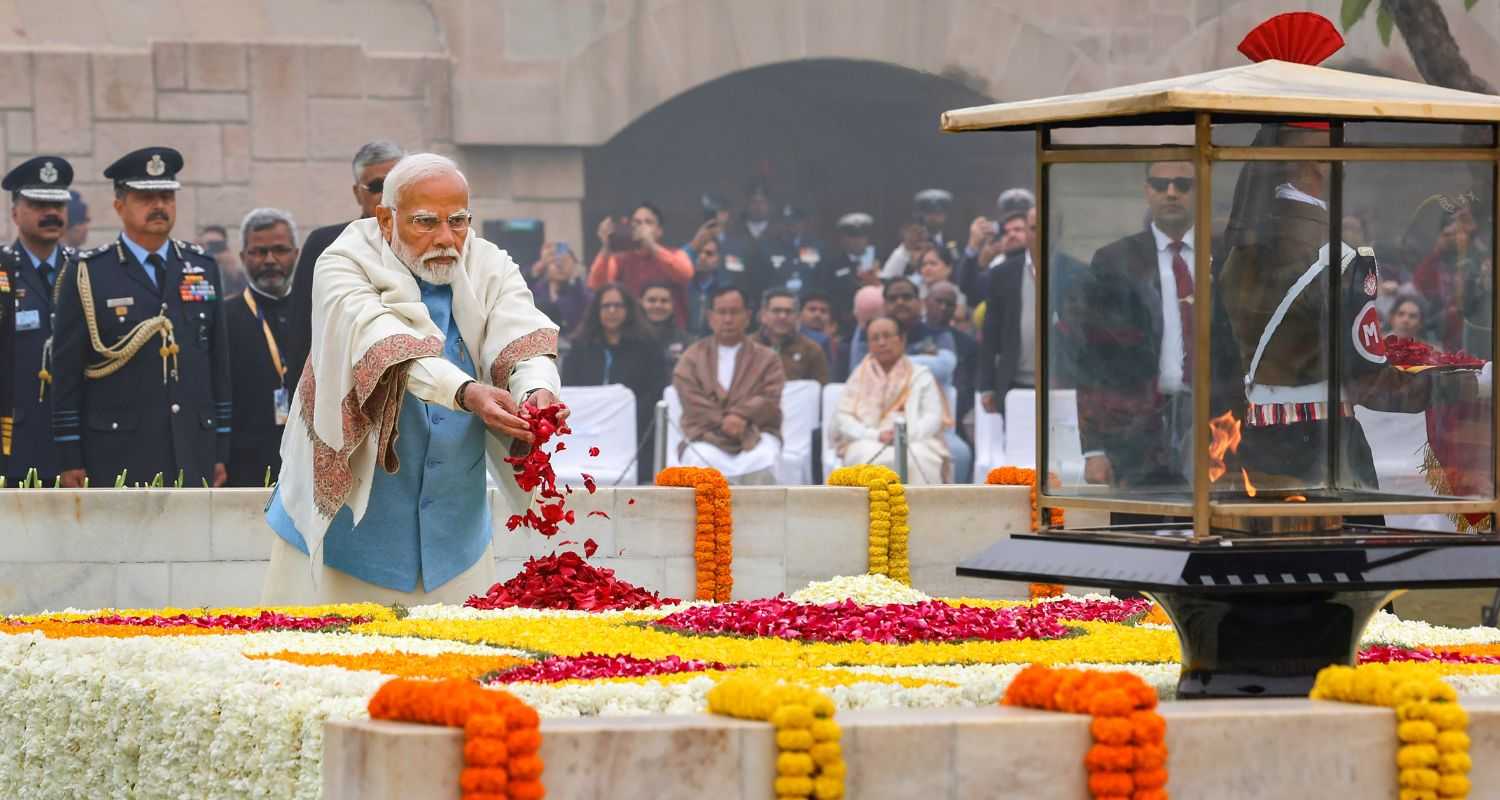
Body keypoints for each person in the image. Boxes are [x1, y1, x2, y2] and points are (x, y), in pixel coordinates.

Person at [262, 153, 565, 604]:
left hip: (455, 541)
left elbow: (520, 331)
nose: (446, 238)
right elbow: (381, 343)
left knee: (467, 669)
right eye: (426, 222)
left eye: (458, 221)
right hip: (347, 537)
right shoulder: (343, 262)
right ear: (386, 219)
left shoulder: (488, 263)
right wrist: (465, 392)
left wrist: (537, 389)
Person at [1219, 124, 1488, 493]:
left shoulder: (1236, 254)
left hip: (1255, 444)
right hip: (1322, 451)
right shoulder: (1340, 259)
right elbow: (1372, 384)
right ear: (1317, 164)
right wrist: (1474, 384)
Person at [51, 147, 231, 489]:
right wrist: (69, 454)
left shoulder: (201, 268)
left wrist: (220, 445)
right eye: (146, 197)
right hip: (117, 451)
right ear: (119, 206)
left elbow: (217, 365)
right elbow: (66, 373)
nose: (159, 206)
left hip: (192, 448)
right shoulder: (88, 273)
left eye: (166, 196)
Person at [1068, 162, 1202, 492]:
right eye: (1160, 184)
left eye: (1183, 184)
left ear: (1201, 190)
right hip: (1135, 425)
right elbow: (1091, 358)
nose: (1171, 193)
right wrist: (1095, 447)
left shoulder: (1226, 253)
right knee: (1140, 528)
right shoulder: (1114, 261)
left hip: (1214, 422)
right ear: (1147, 191)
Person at [284, 140, 404, 396]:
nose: (386, 195)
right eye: (376, 187)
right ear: (357, 193)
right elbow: (302, 331)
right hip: (342, 390)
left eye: (395, 185)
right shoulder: (325, 244)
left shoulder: (428, 242)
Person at [1, 156, 77, 485]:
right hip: (14, 438)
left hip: (76, 444)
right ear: (15, 212)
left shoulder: (86, 271)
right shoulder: (3, 270)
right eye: (38, 204)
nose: (52, 213)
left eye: (58, 204)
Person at [672, 285, 785, 484]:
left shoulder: (768, 359)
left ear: (748, 316)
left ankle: (761, 516)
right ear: (710, 317)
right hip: (705, 436)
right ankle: (711, 517)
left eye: (734, 312)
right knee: (700, 461)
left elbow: (769, 398)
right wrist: (725, 421)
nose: (728, 319)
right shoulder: (692, 357)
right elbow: (691, 400)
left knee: (764, 459)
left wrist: (741, 415)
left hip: (755, 435)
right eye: (722, 312)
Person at [562, 284, 670, 483]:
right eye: (606, 306)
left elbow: (656, 389)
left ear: (628, 310)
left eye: (618, 306)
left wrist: (627, 416)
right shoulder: (581, 347)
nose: (612, 311)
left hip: (635, 430)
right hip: (587, 429)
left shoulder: (648, 346)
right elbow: (570, 390)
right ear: (597, 311)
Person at [224, 208, 299, 487]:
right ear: (243, 257)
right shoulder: (224, 317)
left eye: (280, 250)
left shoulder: (315, 311)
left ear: (296, 253)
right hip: (245, 462)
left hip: (306, 459)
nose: (269, 260)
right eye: (258, 251)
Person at [833, 316, 951, 484]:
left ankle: (919, 511)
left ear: (902, 339)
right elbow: (843, 418)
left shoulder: (920, 375)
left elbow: (932, 417)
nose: (881, 343)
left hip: (915, 440)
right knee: (865, 460)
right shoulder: (857, 377)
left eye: (887, 336)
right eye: (875, 338)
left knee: (921, 460)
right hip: (868, 440)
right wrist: (876, 435)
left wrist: (904, 436)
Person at [588, 203, 693, 326]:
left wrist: (651, 245)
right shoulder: (620, 260)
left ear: (659, 231)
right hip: (633, 331)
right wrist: (606, 246)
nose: (641, 227)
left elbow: (685, 274)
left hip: (671, 331)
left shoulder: (675, 254)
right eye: (637, 222)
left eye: (648, 222)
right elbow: (597, 285)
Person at [925, 280, 976, 437]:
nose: (943, 307)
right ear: (926, 302)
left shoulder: (967, 343)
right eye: (938, 301)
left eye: (949, 304)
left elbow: (971, 383)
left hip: (955, 413)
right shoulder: (912, 335)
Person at [721, 181, 779, 309]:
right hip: (738, 302)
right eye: (754, 202)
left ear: (769, 205)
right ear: (746, 204)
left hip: (773, 304)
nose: (758, 206)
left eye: (762, 202)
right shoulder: (733, 233)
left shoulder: (781, 236)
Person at [812, 212, 875, 330]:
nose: (857, 241)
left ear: (867, 238)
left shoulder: (877, 261)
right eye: (852, 236)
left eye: (861, 236)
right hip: (842, 325)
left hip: (874, 321)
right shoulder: (831, 265)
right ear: (843, 239)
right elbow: (825, 295)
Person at [756, 288, 829, 383]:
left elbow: (821, 388)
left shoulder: (812, 350)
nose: (783, 316)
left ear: (797, 317)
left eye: (788, 311)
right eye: (776, 311)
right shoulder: (747, 347)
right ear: (763, 315)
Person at [881, 189, 955, 280]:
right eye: (930, 212)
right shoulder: (909, 242)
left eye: (938, 213)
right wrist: (906, 248)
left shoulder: (954, 242)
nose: (934, 217)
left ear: (945, 215)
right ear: (921, 214)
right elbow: (887, 277)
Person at [527, 241, 591, 336]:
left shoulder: (580, 293)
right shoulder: (535, 290)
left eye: (564, 261)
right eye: (554, 262)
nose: (559, 266)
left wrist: (575, 279)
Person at [683, 237, 731, 337]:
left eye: (709, 253)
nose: (702, 257)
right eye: (698, 252)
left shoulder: (726, 291)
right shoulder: (681, 286)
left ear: (718, 259)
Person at [640, 280, 694, 365]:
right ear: (640, 303)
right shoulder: (627, 339)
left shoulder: (689, 343)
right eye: (651, 300)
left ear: (673, 305)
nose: (658, 305)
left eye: (664, 301)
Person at [797, 288, 837, 368]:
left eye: (823, 311)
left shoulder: (839, 347)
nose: (818, 314)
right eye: (812, 309)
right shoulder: (793, 340)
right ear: (799, 314)